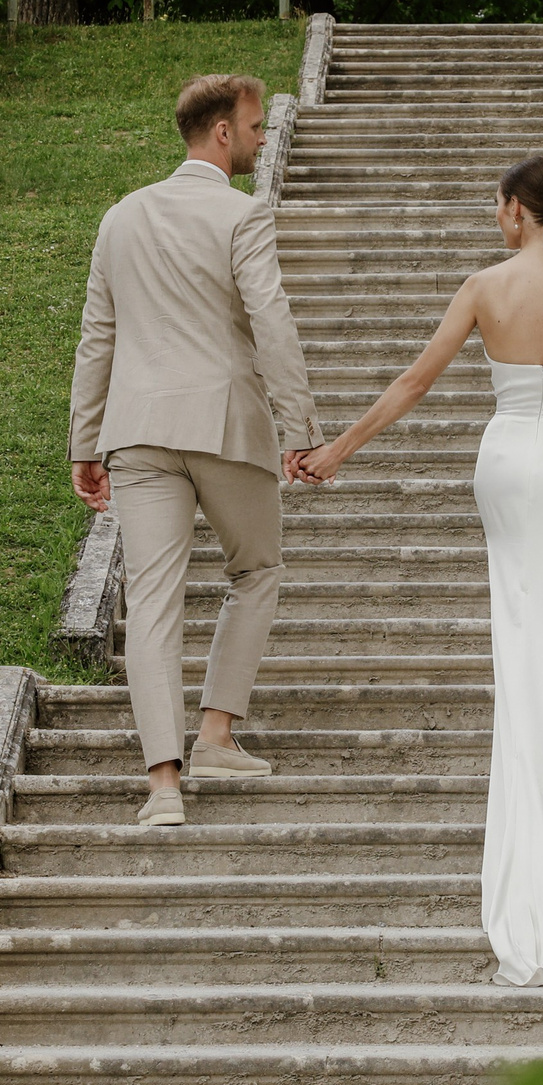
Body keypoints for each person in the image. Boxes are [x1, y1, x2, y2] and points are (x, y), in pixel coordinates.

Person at [299, 16, 543, 985]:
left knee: (524, 648)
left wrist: (337, 451)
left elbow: (411, 384)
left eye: (498, 206)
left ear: (518, 210)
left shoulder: (482, 286)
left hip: (509, 466)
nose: (494, 218)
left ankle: (533, 836)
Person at [69, 74, 325, 828]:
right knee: (258, 569)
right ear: (220, 131)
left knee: (151, 600)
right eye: (254, 126)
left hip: (139, 430)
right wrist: (300, 426)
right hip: (223, 424)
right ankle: (215, 733)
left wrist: (85, 440)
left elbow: (98, 338)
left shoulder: (120, 217)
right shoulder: (243, 214)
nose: (260, 137)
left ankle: (163, 789)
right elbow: (270, 321)